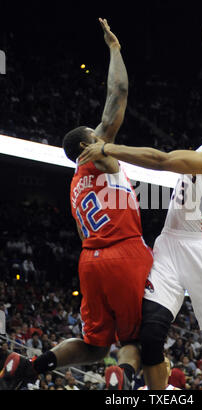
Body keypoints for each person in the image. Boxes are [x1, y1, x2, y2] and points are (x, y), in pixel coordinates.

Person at [78, 8, 202, 390]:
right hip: (169, 244)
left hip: (201, 249)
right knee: (150, 337)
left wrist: (109, 147)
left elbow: (163, 160)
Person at [0, 18, 152, 391]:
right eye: (95, 132)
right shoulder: (97, 154)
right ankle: (124, 377)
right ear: (89, 142)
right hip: (125, 254)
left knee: (95, 346)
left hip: (90, 261)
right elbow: (118, 92)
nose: (101, 131)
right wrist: (115, 48)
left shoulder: (76, 181)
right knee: (135, 341)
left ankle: (29, 367)